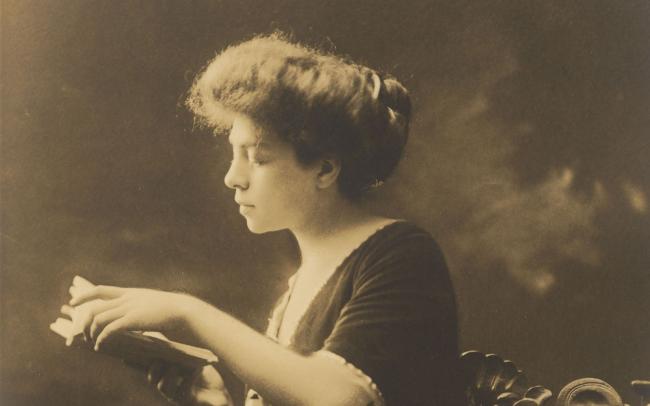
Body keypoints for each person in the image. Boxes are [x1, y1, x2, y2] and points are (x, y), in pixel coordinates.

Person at [64, 33, 463, 405]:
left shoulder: (401, 254)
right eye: (233, 154)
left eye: (257, 158)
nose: (232, 177)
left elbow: (343, 397)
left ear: (325, 169)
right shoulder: (294, 293)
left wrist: (188, 311)